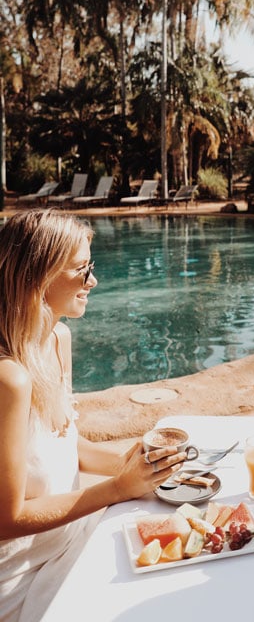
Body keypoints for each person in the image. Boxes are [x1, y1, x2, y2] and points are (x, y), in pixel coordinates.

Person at [0, 209, 187, 621]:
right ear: (39, 277)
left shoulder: (56, 339)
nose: (93, 282)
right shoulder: (8, 379)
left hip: (72, 535)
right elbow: (5, 520)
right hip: (22, 577)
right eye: (82, 271)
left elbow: (66, 445)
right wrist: (119, 488)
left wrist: (141, 464)